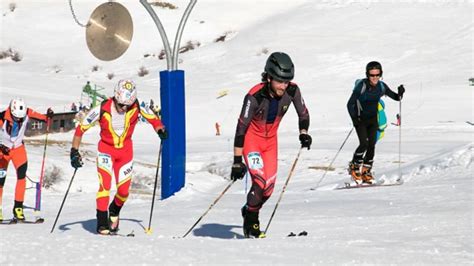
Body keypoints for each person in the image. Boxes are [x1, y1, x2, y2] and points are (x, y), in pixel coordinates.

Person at [70, 79, 167, 235]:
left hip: (125, 153)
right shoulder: (102, 108)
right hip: (106, 151)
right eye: (121, 104)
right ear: (115, 97)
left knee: (123, 192)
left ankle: (114, 210)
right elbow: (80, 129)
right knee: (105, 187)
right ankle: (102, 222)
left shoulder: (137, 105)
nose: (123, 108)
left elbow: (154, 119)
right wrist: (74, 151)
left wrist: (160, 129)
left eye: (127, 105)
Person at [230, 52, 311, 238]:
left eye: (286, 81)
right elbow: (241, 128)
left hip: (271, 142)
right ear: (268, 77)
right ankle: (252, 222)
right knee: (259, 183)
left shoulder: (292, 90)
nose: (283, 86)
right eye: (279, 81)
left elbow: (304, 114)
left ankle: (249, 209)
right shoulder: (254, 96)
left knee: (268, 189)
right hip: (252, 141)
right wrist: (236, 161)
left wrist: (304, 134)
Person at [346, 61, 405, 184]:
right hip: (360, 119)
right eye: (372, 75)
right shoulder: (361, 86)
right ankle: (354, 166)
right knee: (364, 144)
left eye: (377, 75)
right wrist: (355, 119)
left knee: (372, 145)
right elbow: (350, 103)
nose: (375, 78)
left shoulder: (381, 86)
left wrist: (400, 93)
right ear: (367, 75)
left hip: (373, 119)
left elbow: (396, 97)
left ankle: (366, 171)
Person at [0, 98, 54, 221]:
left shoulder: (26, 112)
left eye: (21, 118)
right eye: (16, 118)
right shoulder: (2, 117)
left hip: (18, 149)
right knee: (0, 181)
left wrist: (49, 116)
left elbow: (43, 118)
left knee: (21, 177)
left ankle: (18, 207)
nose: (19, 120)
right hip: (2, 152)